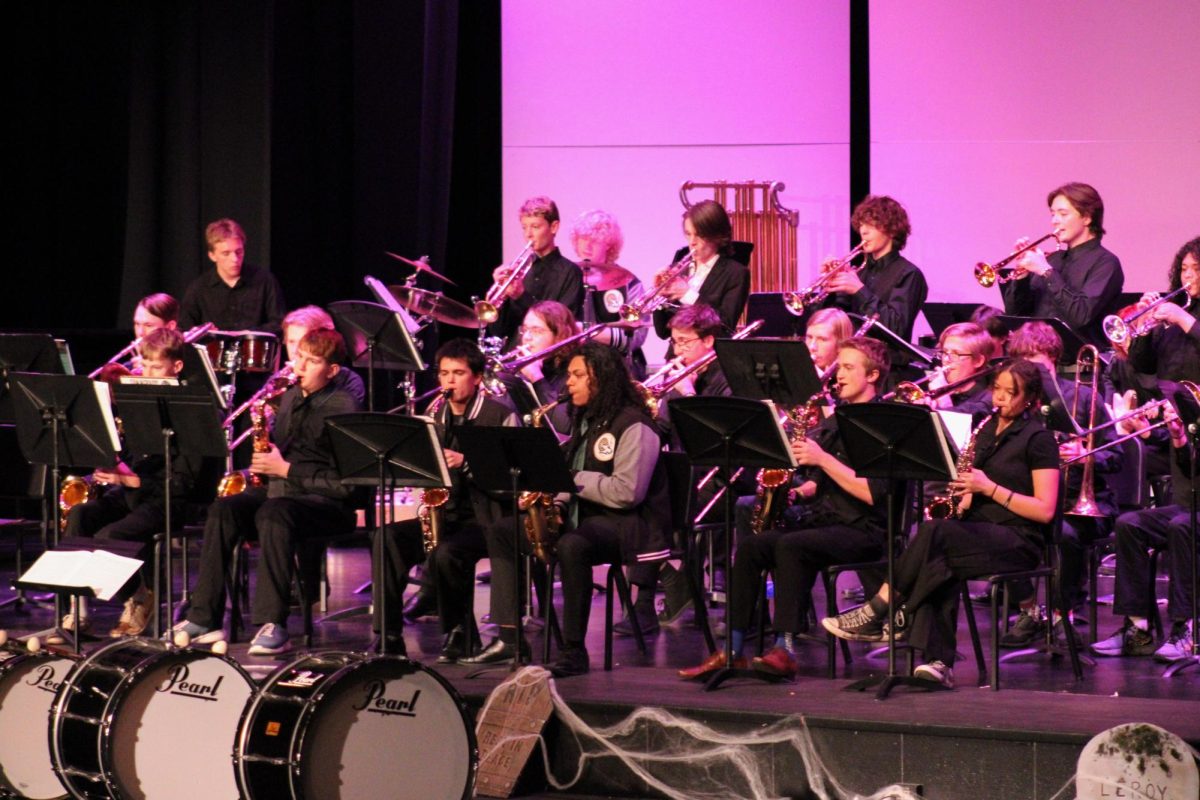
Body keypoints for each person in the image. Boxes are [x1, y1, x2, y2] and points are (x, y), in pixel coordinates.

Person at [824, 360, 1061, 689]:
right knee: (938, 559)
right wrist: (962, 496)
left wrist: (989, 488)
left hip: (1019, 541)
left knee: (936, 536)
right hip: (976, 535)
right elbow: (970, 491)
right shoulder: (986, 430)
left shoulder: (1039, 440)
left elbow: (1045, 511)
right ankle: (936, 663)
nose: (1000, 399)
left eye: (1012, 393)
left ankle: (882, 608)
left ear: (1032, 399)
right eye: (997, 390)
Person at [679, 337, 894, 681]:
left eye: (849, 368)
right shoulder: (836, 419)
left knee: (790, 545)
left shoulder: (882, 423)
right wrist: (799, 491)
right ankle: (733, 650)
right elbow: (822, 482)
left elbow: (872, 493)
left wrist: (821, 460)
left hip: (864, 529)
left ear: (873, 375)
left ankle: (786, 649)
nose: (838, 376)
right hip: (826, 518)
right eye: (839, 367)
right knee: (751, 546)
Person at [462, 343, 670, 676]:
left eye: (577, 376)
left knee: (573, 545)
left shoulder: (636, 426)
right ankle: (510, 639)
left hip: (628, 527)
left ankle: (574, 650)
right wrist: (555, 504)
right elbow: (567, 477)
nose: (567, 384)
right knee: (502, 532)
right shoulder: (585, 421)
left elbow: (627, 493)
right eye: (568, 375)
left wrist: (574, 480)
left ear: (601, 379)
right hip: (584, 519)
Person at [170, 329, 361, 654]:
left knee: (275, 512)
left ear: (331, 371)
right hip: (283, 492)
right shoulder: (290, 397)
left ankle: (274, 624)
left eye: (312, 361)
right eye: (299, 357)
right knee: (225, 508)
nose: (299, 367)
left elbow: (347, 486)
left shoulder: (343, 406)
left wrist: (286, 470)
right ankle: (204, 617)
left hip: (326, 504)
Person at [371, 339, 519, 657]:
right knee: (387, 537)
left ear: (477, 377)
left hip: (489, 519)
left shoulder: (500, 415)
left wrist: (466, 463)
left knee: (447, 552)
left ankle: (460, 632)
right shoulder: (434, 417)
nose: (449, 381)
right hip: (446, 514)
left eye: (459, 373)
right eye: (444, 373)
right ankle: (388, 635)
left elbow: (511, 480)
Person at [59, 329, 208, 638]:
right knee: (80, 515)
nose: (145, 373)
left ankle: (139, 597)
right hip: (132, 493)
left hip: (168, 500)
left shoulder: (192, 408)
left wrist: (128, 477)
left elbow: (183, 483)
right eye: (145, 364)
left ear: (176, 367)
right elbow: (128, 460)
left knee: (111, 534)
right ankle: (78, 608)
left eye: (155, 367)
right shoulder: (136, 399)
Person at [1000, 321, 1122, 645]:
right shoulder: (1013, 404)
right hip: (1031, 499)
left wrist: (1088, 455)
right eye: (1021, 362)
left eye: (1035, 361)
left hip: (1079, 502)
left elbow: (1118, 456)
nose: (1029, 371)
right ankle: (1028, 610)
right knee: (997, 528)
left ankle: (1062, 613)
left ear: (1052, 356)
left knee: (1065, 534)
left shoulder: (1083, 397)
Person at [1093, 394, 1199, 663]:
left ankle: (1187, 629)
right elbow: (1190, 469)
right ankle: (1138, 629)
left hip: (1189, 518)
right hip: (1191, 507)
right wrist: (1178, 436)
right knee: (1130, 524)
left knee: (1181, 526)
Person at [1000, 182, 1124, 347]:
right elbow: (1016, 314)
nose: (1054, 221)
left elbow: (1080, 316)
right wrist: (1021, 277)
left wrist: (1046, 271)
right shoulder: (1052, 259)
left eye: (1063, 214)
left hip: (1078, 367)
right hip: (1038, 360)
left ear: (1087, 217)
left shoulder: (1106, 263)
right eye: (1052, 214)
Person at [818, 195, 928, 373]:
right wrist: (829, 287)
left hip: (888, 372)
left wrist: (860, 291)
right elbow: (833, 322)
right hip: (853, 367)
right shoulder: (858, 273)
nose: (863, 231)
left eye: (871, 225)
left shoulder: (909, 274)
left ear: (892, 231)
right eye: (861, 224)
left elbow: (896, 328)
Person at [652, 200, 751, 347]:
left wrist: (687, 295)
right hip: (677, 356)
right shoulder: (677, 270)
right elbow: (662, 332)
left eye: (699, 235)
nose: (692, 242)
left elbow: (725, 326)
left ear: (717, 236)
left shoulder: (735, 273)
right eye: (688, 234)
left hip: (712, 360)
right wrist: (659, 296)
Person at [488, 197, 585, 346]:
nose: (528, 234)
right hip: (513, 355)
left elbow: (561, 328)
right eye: (524, 227)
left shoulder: (570, 273)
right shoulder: (518, 271)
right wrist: (498, 300)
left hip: (548, 361)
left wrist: (521, 297)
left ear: (554, 227)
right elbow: (498, 331)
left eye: (535, 226)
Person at [570, 209, 648, 376]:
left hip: (617, 369)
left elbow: (637, 336)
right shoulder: (567, 279)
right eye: (583, 238)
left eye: (595, 240)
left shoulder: (629, 282)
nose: (587, 246)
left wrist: (582, 332)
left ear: (609, 245)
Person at [179, 218, 286, 332]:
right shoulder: (199, 288)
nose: (235, 259)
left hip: (253, 348)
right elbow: (185, 327)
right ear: (212, 255)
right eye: (226, 253)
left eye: (239, 252)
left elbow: (279, 323)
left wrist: (251, 333)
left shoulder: (264, 280)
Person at [281, 305, 366, 407]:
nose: (295, 350)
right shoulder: (280, 380)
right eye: (291, 342)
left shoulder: (349, 381)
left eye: (302, 342)